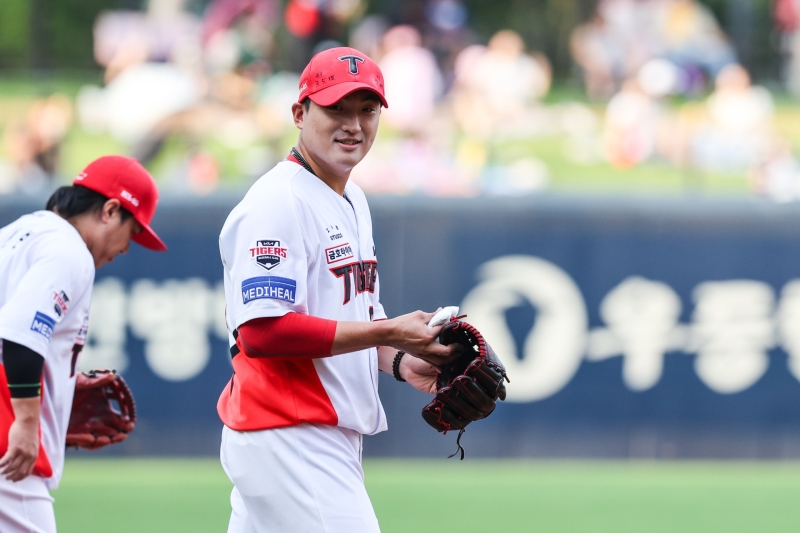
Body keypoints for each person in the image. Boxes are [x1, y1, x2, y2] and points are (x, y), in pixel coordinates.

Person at [217, 46, 458, 533]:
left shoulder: (352, 199)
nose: (353, 125)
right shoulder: (278, 201)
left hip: (309, 437)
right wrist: (390, 332)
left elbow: (353, 317)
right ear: (299, 113)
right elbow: (262, 332)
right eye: (336, 109)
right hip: (291, 433)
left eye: (367, 110)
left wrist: (400, 360)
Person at [0, 155, 166, 533]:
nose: (127, 248)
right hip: (8, 448)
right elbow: (19, 335)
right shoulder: (69, 250)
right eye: (132, 232)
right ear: (110, 210)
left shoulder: (18, 232)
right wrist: (27, 421)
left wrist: (54, 396)